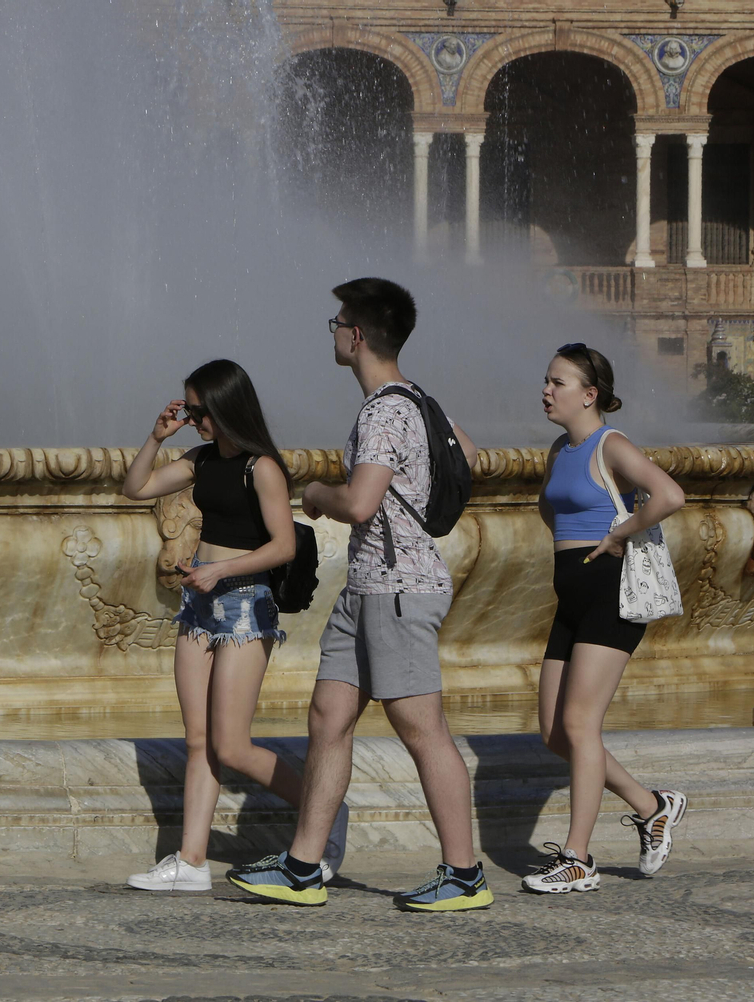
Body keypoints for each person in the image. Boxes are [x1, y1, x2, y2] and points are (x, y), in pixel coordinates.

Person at [227, 277, 492, 911]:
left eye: (337, 322)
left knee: (421, 727)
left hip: (398, 589)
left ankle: (464, 875)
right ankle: (303, 866)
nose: (334, 331)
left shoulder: (382, 409)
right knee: (328, 718)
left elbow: (361, 502)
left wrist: (317, 495)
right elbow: (469, 453)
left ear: (358, 335)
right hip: (370, 585)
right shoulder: (416, 401)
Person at [121, 358, 348, 892]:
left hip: (245, 604)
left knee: (231, 745)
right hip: (199, 605)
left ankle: (327, 808)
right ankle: (192, 861)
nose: (193, 419)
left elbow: (282, 545)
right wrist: (155, 438)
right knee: (197, 740)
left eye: (200, 411)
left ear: (226, 407)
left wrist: (219, 568)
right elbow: (136, 488)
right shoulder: (199, 460)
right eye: (189, 409)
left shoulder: (261, 467)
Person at [522, 343, 688, 894]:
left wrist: (619, 532)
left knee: (579, 725)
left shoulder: (609, 444)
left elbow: (669, 494)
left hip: (611, 594)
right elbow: (553, 508)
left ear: (589, 395)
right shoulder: (558, 449)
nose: (546, 390)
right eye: (547, 381)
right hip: (573, 595)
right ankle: (651, 805)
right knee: (553, 732)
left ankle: (577, 858)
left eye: (558, 383)